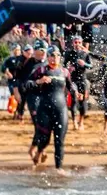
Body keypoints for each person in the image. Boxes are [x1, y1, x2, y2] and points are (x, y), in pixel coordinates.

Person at [25, 45, 76, 174]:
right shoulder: (41, 70)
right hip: (44, 109)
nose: (54, 58)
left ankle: (59, 168)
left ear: (60, 57)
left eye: (57, 56)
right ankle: (39, 152)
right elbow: (27, 84)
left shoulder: (64, 72)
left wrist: (76, 91)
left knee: (59, 140)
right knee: (45, 139)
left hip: (61, 109)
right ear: (48, 57)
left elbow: (71, 85)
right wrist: (39, 81)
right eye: (52, 55)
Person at [64, 35, 92, 130]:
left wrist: (85, 64)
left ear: (81, 43)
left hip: (83, 80)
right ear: (73, 43)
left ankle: (81, 121)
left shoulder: (85, 54)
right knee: (74, 101)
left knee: (83, 101)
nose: (77, 44)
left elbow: (91, 66)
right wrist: (68, 68)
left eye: (79, 42)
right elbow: (63, 66)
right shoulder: (68, 53)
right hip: (73, 80)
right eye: (75, 42)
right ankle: (74, 122)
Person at [17, 40, 49, 124]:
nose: (43, 54)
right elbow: (21, 78)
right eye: (41, 51)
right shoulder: (28, 62)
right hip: (32, 93)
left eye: (45, 51)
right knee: (36, 118)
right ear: (35, 51)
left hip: (46, 94)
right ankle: (20, 114)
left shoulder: (49, 62)